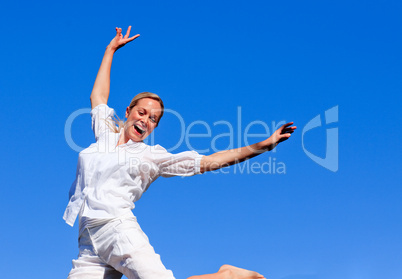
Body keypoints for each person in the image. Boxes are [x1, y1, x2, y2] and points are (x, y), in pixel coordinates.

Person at [64, 26, 296, 279]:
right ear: (129, 111)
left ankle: (227, 276)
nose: (146, 120)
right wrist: (110, 50)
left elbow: (209, 162)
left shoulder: (151, 156)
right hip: (87, 240)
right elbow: (98, 96)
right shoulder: (105, 134)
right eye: (142, 113)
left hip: (117, 229)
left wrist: (262, 146)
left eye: (153, 119)